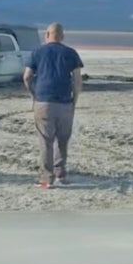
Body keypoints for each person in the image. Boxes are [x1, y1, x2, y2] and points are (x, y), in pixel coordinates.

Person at [23, 22, 83, 188]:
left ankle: (46, 179)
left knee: (45, 140)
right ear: (62, 36)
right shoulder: (71, 53)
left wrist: (34, 95)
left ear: (47, 35)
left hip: (43, 102)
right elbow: (77, 81)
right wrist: (74, 101)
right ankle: (60, 174)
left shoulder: (37, 52)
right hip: (65, 102)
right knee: (63, 140)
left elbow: (27, 77)